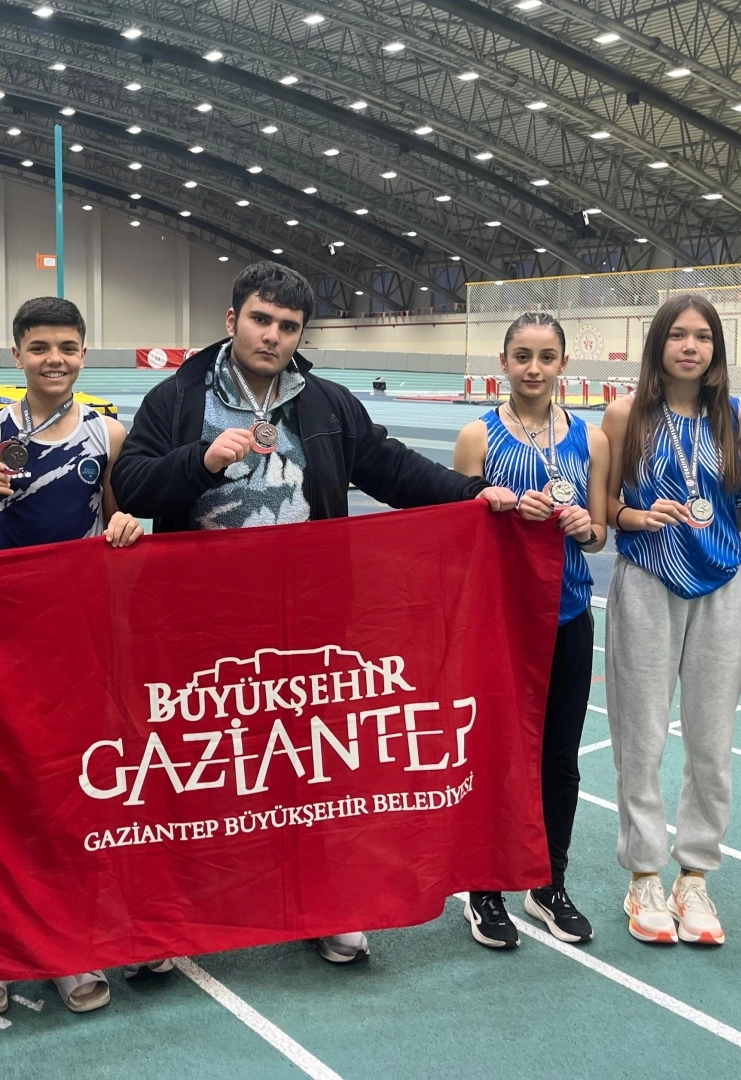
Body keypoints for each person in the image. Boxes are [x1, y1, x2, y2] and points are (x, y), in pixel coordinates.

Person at [111, 259, 518, 965]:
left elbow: (390, 467)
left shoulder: (325, 403)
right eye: (260, 319)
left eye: (288, 325)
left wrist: (470, 493)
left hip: (305, 622)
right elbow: (135, 485)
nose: (272, 335)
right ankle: (178, 916)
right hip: (201, 621)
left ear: (301, 334)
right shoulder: (176, 398)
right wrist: (202, 460)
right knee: (198, 770)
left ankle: (323, 903)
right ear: (231, 320)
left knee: (309, 770)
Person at [0, 295, 143, 1014]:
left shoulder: (108, 434)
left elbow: (119, 524)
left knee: (71, 790)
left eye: (66, 347)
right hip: (3, 638)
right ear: (16, 355)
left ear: (83, 354)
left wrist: (128, 525)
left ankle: (68, 945)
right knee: (2, 790)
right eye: (39, 348)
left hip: (77, 637)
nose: (53, 359)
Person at [600, 295, 741, 948]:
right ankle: (643, 875)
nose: (690, 347)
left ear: (715, 349)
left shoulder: (735, 417)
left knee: (712, 741)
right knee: (641, 737)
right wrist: (633, 516)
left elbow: (736, 500)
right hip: (647, 579)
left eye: (703, 337)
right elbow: (604, 503)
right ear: (658, 344)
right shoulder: (623, 414)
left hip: (721, 584)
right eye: (678, 336)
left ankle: (694, 875)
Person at [452, 312, 608, 948]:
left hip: (567, 615)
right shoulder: (478, 437)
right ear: (504, 363)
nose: (534, 369)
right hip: (500, 623)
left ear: (564, 363)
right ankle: (484, 888)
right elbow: (460, 535)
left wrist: (584, 528)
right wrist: (509, 510)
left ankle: (548, 882)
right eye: (522, 356)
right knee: (496, 755)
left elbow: (599, 535)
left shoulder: (592, 440)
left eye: (546, 357)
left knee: (559, 760)